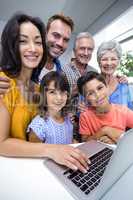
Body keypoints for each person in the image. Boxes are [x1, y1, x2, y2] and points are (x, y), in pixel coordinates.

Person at [0, 12, 89, 173]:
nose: (32, 48)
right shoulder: (4, 83)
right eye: (22, 41)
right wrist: (52, 149)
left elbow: (50, 111)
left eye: (37, 42)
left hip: (40, 166)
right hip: (12, 169)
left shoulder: (38, 86)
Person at [78, 71, 133, 144]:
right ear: (86, 98)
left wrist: (115, 137)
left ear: (107, 87)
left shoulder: (123, 111)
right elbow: (84, 142)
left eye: (100, 88)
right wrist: (104, 131)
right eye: (90, 93)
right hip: (98, 152)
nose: (98, 95)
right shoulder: (85, 116)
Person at [27, 71, 73, 144]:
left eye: (62, 92)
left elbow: (70, 142)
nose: (59, 98)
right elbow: (36, 153)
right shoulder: (38, 126)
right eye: (52, 92)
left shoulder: (68, 119)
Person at [97, 40, 133, 110]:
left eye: (113, 59)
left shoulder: (123, 85)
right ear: (99, 62)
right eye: (104, 59)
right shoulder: (89, 84)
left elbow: (130, 112)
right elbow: (81, 113)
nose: (109, 63)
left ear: (118, 62)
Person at [38, 14, 74, 81]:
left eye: (65, 40)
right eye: (56, 35)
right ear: (45, 34)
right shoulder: (27, 64)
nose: (60, 43)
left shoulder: (62, 73)